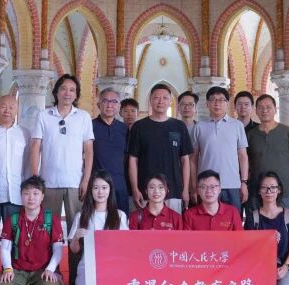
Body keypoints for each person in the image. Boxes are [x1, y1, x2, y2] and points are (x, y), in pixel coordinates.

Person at [29, 74, 94, 229]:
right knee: (47, 228)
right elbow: (35, 146)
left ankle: (76, 248)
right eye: (63, 89)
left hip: (75, 182)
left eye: (72, 90)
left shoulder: (83, 117)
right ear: (56, 92)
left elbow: (89, 150)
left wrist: (86, 180)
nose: (67, 93)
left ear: (76, 95)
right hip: (48, 182)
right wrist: (35, 178)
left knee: (78, 228)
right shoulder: (43, 116)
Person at [127, 82, 193, 210]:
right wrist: (135, 189)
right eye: (156, 97)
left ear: (170, 101)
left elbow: (185, 160)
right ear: (150, 100)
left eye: (165, 98)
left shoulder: (179, 126)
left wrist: (185, 189)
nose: (161, 101)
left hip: (174, 190)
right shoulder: (139, 127)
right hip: (145, 190)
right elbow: (133, 160)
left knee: (173, 222)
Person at [192, 86, 250, 210]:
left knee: (233, 220)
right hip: (206, 185)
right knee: (207, 219)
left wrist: (244, 182)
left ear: (227, 103)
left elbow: (243, 156)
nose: (217, 103)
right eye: (213, 99)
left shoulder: (237, 125)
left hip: (232, 184)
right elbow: (193, 159)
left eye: (221, 100)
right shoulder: (199, 127)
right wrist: (194, 185)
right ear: (207, 103)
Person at [246, 94, 289, 210]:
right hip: (257, 191)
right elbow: (248, 160)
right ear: (256, 111)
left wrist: (287, 176)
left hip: (284, 190)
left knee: (285, 220)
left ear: (275, 109)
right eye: (261, 107)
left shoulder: (287, 132)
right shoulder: (251, 135)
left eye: (268, 107)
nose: (264, 110)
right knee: (257, 220)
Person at [92, 89, 131, 214]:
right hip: (97, 186)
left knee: (120, 220)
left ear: (119, 106)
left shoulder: (124, 129)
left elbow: (128, 158)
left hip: (120, 185)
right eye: (105, 101)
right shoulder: (90, 126)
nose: (109, 105)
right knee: (96, 221)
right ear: (98, 105)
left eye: (114, 101)